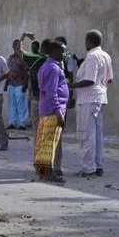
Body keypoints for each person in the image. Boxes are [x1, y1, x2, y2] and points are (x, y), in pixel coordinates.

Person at [69, 30, 113, 177]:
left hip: (88, 99)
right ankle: (98, 166)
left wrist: (71, 85)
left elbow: (90, 80)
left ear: (89, 41)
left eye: (86, 41)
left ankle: (89, 168)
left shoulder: (92, 56)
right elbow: (109, 79)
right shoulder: (105, 56)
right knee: (97, 135)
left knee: (87, 134)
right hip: (100, 98)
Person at [34, 40, 70, 183]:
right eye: (62, 51)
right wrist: (58, 112)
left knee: (45, 141)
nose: (64, 54)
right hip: (53, 110)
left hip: (47, 109)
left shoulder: (47, 65)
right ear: (54, 51)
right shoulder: (53, 68)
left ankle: (44, 171)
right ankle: (48, 173)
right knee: (50, 142)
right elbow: (51, 91)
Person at [6, 39, 30, 131]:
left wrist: (25, 84)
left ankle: (23, 123)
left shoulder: (24, 57)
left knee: (21, 104)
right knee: (12, 104)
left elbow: (26, 71)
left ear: (21, 47)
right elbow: (7, 71)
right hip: (11, 84)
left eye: (18, 46)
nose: (16, 48)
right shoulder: (10, 57)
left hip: (20, 84)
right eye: (15, 46)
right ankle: (12, 122)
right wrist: (6, 84)